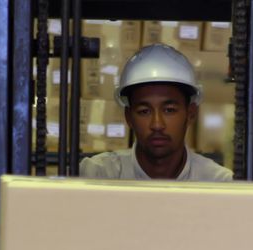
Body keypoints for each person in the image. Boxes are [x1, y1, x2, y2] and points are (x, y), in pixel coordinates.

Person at [80, 44, 233, 181]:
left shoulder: (216, 182)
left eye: (169, 110)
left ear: (190, 113)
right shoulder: (97, 175)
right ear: (128, 117)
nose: (157, 124)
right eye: (144, 111)